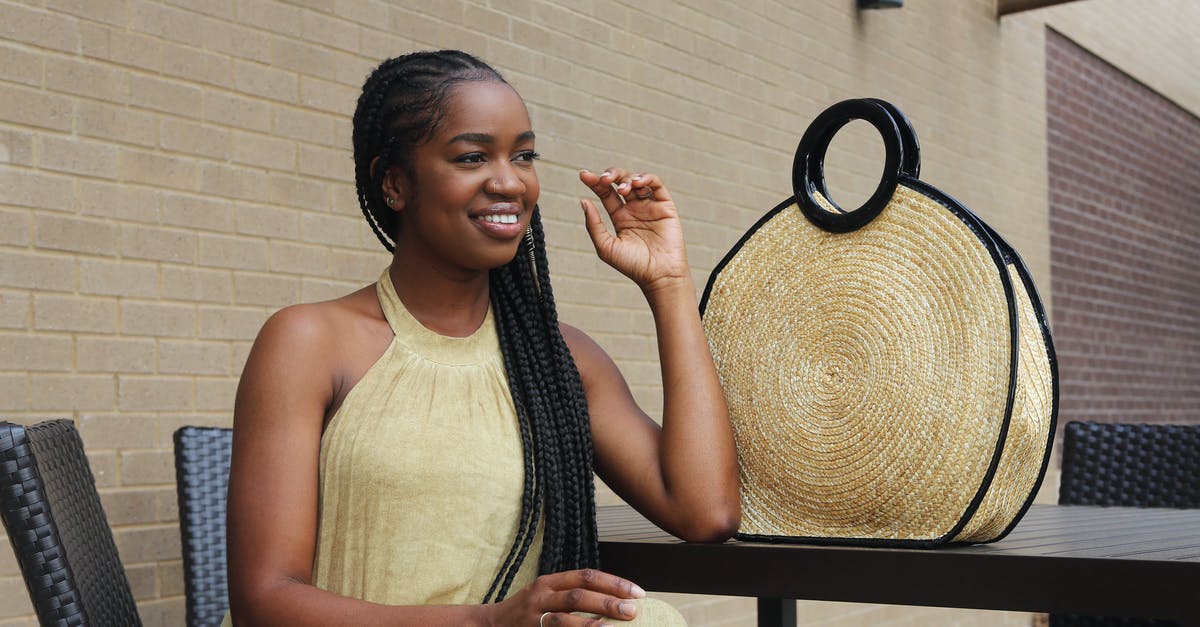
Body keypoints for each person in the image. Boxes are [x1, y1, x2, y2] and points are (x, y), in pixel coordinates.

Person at [225, 49, 739, 626]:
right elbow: (262, 600)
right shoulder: (308, 342)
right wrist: (487, 622)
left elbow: (706, 512)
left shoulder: (557, 359)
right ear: (395, 183)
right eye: (472, 157)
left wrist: (668, 284)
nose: (509, 181)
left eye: (523, 155)